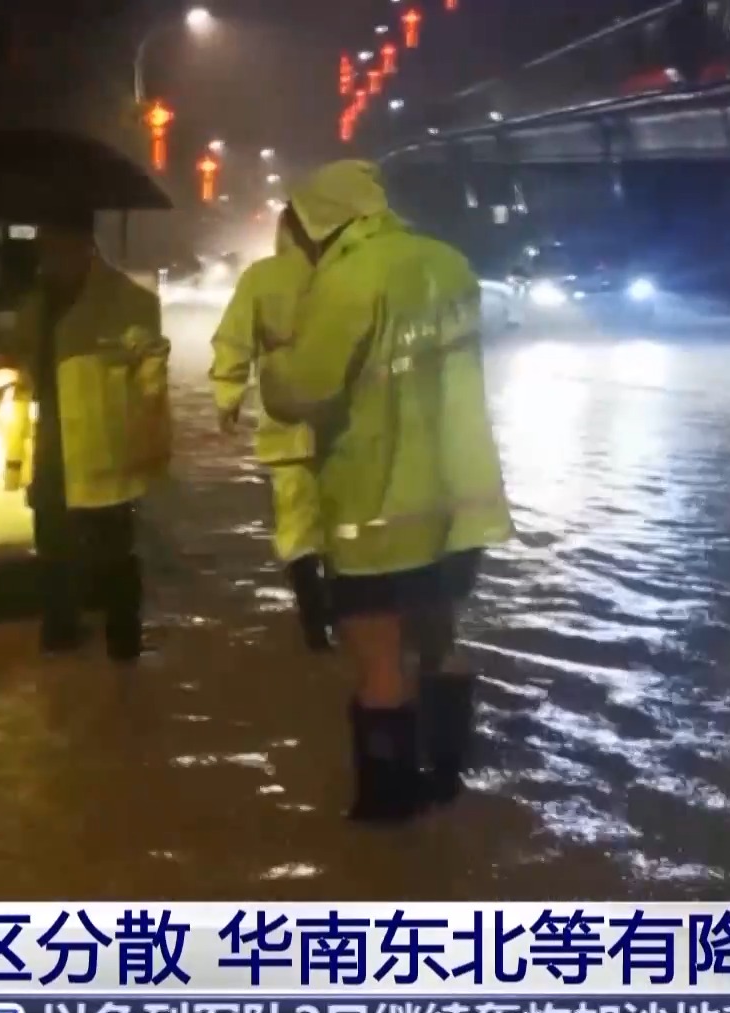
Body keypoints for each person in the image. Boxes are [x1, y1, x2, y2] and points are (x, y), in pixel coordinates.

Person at [259, 161, 514, 824]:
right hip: (457, 499)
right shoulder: (450, 264)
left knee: (377, 656)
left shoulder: (348, 279)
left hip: (376, 504)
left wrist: (276, 357)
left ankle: (389, 809)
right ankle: (449, 775)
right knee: (439, 633)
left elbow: (303, 392)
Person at [0, 212, 172, 661]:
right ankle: (60, 633)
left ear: (82, 243)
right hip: (48, 441)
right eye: (42, 246)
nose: (46, 254)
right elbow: (20, 350)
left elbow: (151, 369)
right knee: (53, 544)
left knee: (113, 549)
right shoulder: (38, 301)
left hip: (103, 443)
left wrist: (146, 432)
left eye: (53, 243)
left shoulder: (128, 300)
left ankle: (123, 640)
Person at [208, 209, 333, 653]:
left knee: (298, 531)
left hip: (287, 431)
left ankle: (316, 630)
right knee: (346, 529)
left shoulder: (262, 278)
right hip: (349, 433)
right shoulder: (350, 276)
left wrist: (227, 397)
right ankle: (352, 623)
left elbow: (233, 341)